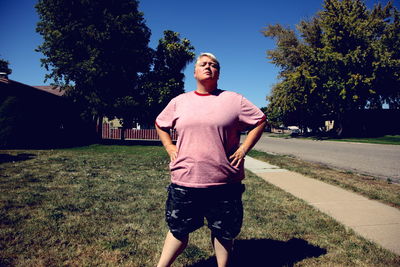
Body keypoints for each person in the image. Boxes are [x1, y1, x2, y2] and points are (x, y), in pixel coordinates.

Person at [155, 53, 267, 267]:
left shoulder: (234, 100)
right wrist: (169, 146)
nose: (208, 67)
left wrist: (244, 148)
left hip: (224, 182)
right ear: (195, 72)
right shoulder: (179, 102)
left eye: (213, 65)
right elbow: (160, 123)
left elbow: (260, 120)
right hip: (186, 181)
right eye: (203, 64)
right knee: (178, 230)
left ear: (219, 73)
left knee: (224, 232)